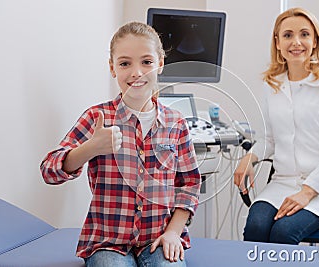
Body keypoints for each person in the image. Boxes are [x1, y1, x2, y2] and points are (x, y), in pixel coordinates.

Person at [40, 21, 201, 266]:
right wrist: (90, 148)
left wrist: (173, 232)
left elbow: (189, 184)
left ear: (160, 63)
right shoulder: (96, 118)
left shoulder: (175, 122)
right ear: (112, 68)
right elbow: (49, 171)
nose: (137, 72)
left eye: (146, 62)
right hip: (108, 243)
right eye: (125, 63)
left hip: (157, 239)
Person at [234, 7, 319, 244]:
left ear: (315, 41)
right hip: (284, 182)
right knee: (256, 228)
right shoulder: (272, 86)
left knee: (283, 232)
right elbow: (269, 139)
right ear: (277, 43)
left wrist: (307, 192)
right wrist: (249, 158)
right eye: (288, 35)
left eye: (304, 35)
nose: (296, 42)